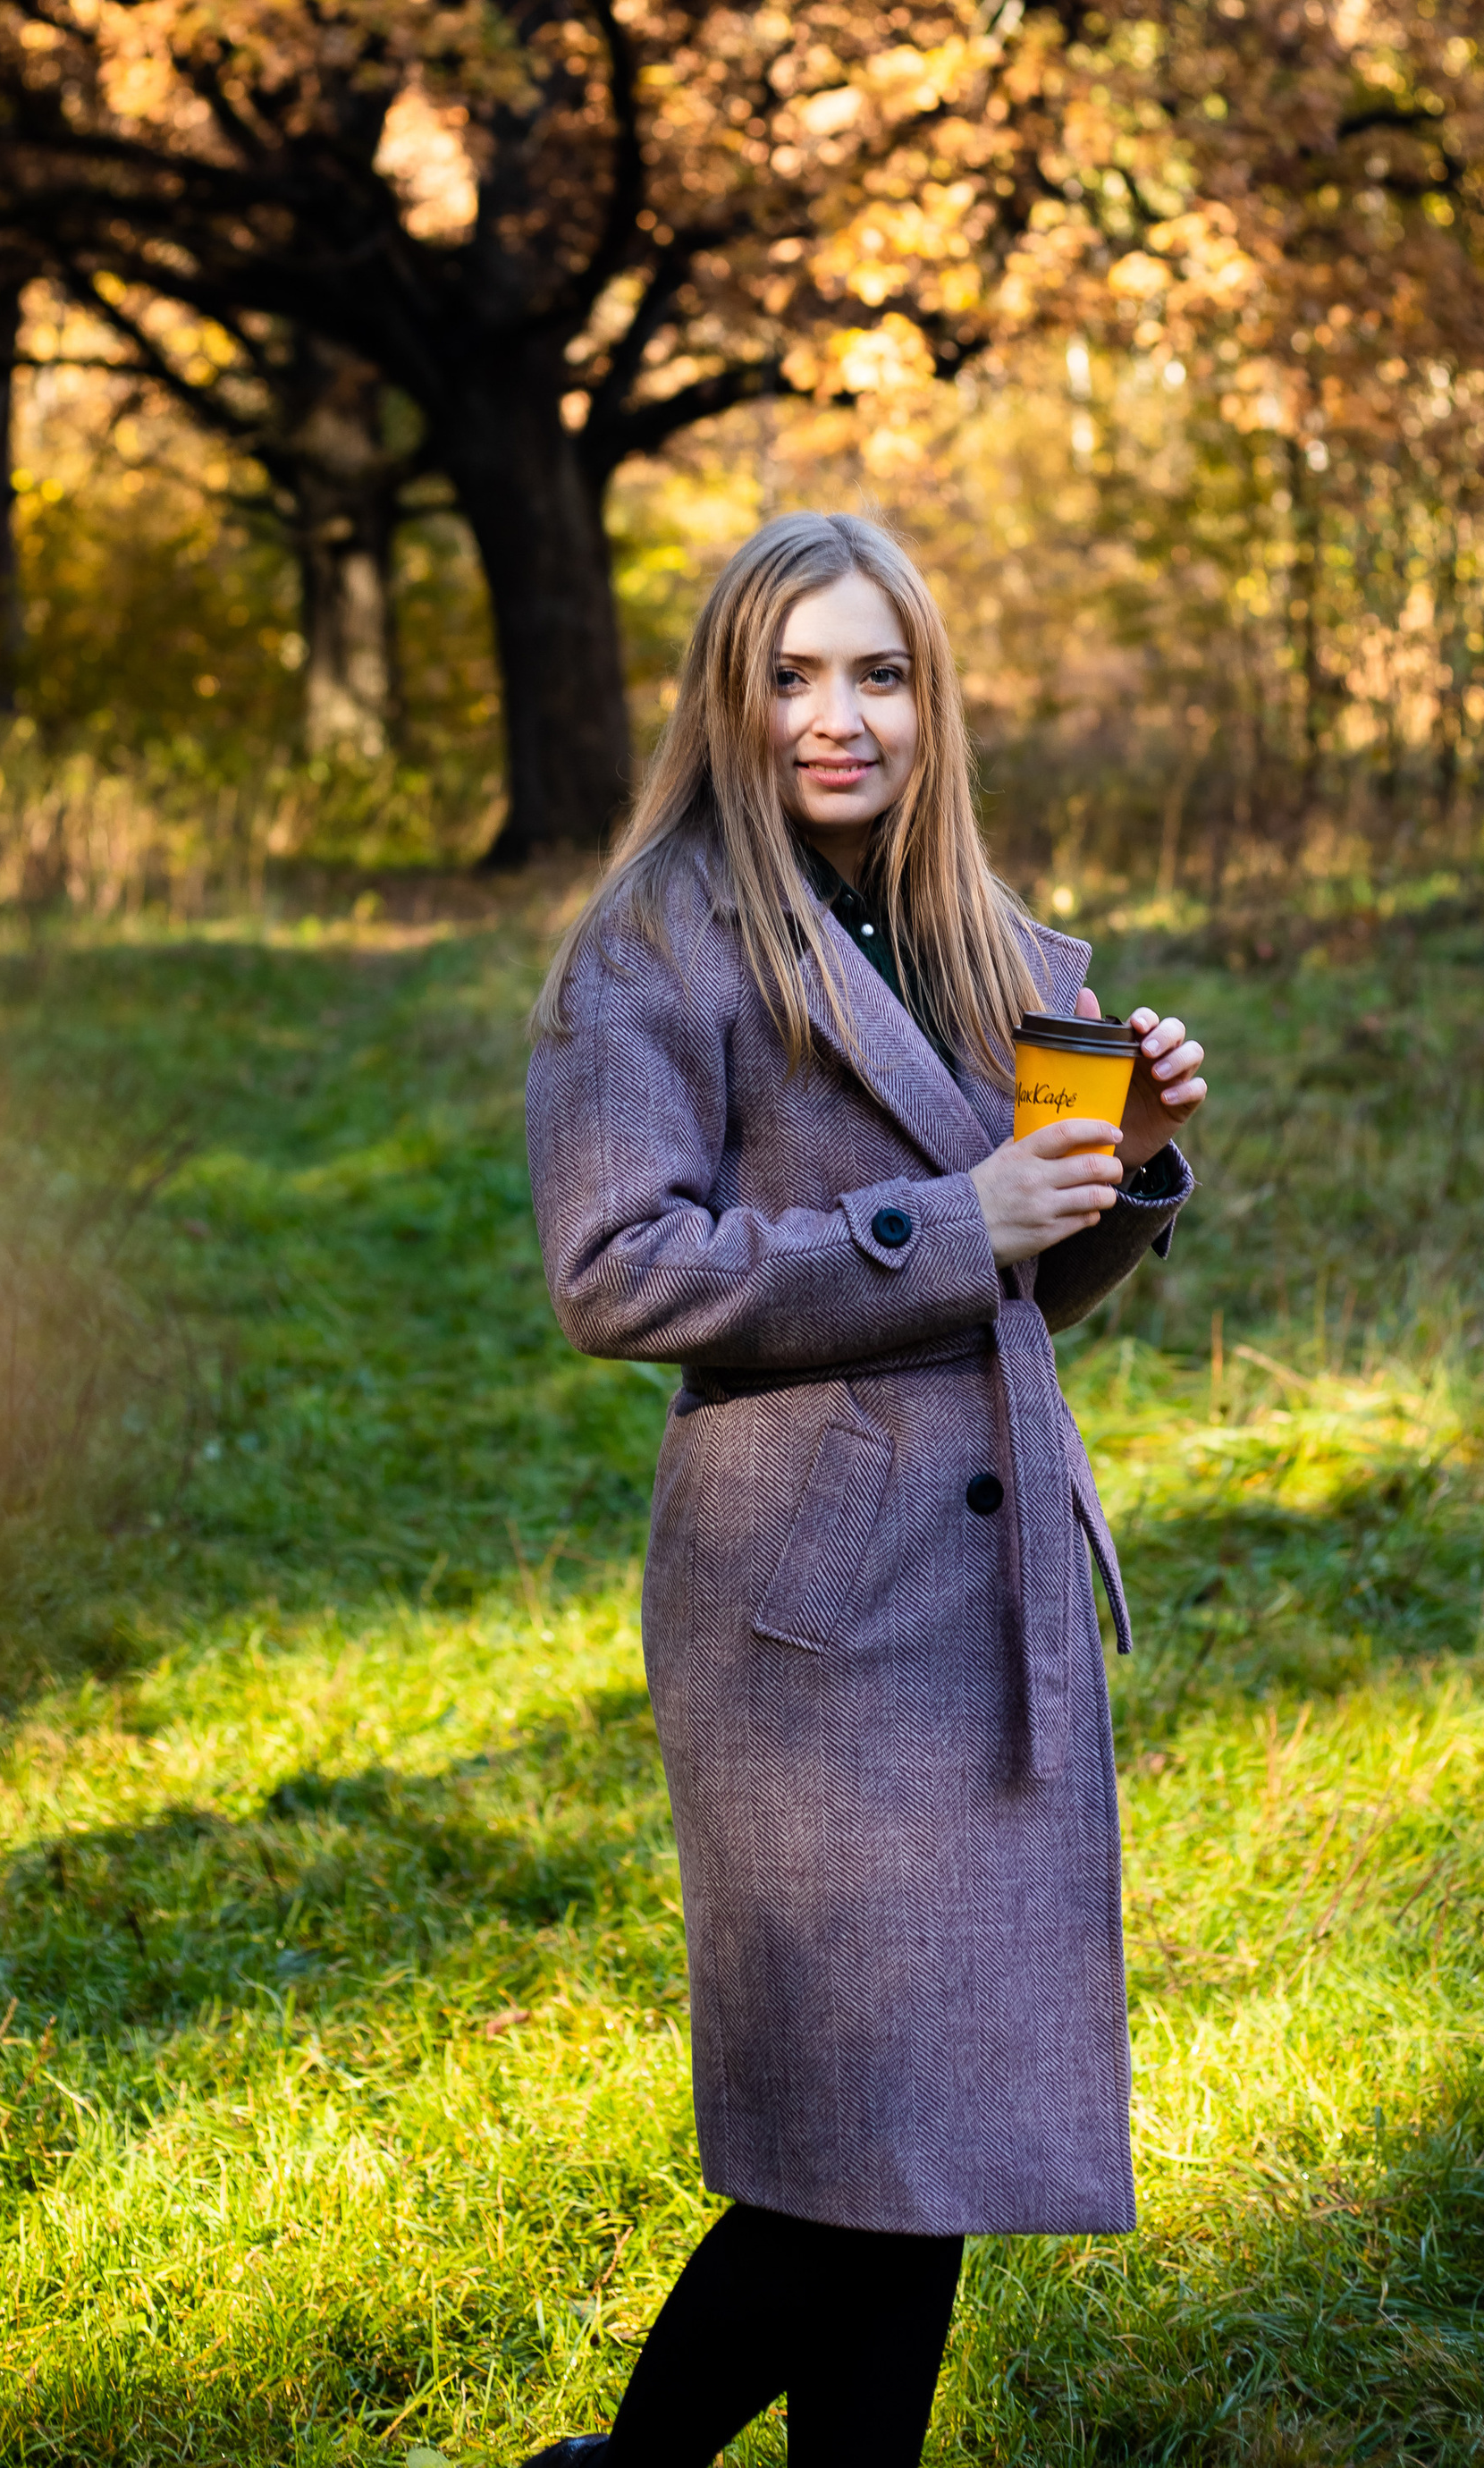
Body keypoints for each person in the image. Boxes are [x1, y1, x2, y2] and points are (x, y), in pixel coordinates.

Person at [522, 511, 1206, 2468]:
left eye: (879, 675)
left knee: (926, 2145)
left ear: (932, 702)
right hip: (804, 1608)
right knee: (859, 2145)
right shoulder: (651, 949)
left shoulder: (988, 944)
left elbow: (1025, 1289)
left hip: (984, 1601)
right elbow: (617, 1272)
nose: (839, 718)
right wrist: (947, 1210)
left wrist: (1118, 1168)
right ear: (728, 696)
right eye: (794, 674)